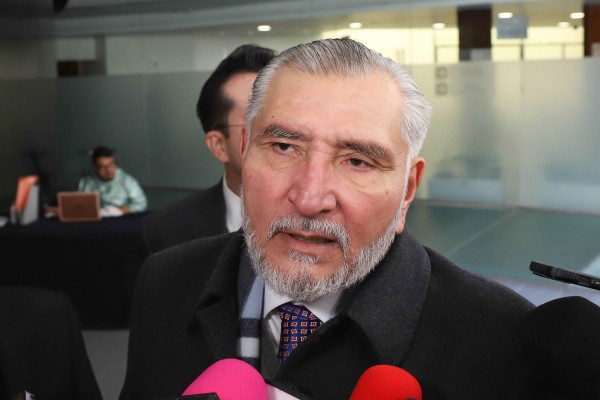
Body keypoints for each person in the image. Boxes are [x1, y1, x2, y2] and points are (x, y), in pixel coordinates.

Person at [119, 39, 535, 400]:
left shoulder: (500, 338)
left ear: (408, 189)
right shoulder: (165, 282)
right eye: (283, 147)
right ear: (243, 151)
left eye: (357, 161)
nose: (309, 198)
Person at [141, 44, 277, 255]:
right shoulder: (167, 231)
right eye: (256, 120)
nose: (284, 131)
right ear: (219, 145)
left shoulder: (330, 217)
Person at [78, 145, 147, 215]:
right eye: (103, 167)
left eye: (111, 164)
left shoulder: (127, 181)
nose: (108, 170)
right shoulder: (86, 183)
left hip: (122, 218)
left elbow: (141, 203)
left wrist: (124, 209)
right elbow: (80, 205)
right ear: (94, 167)